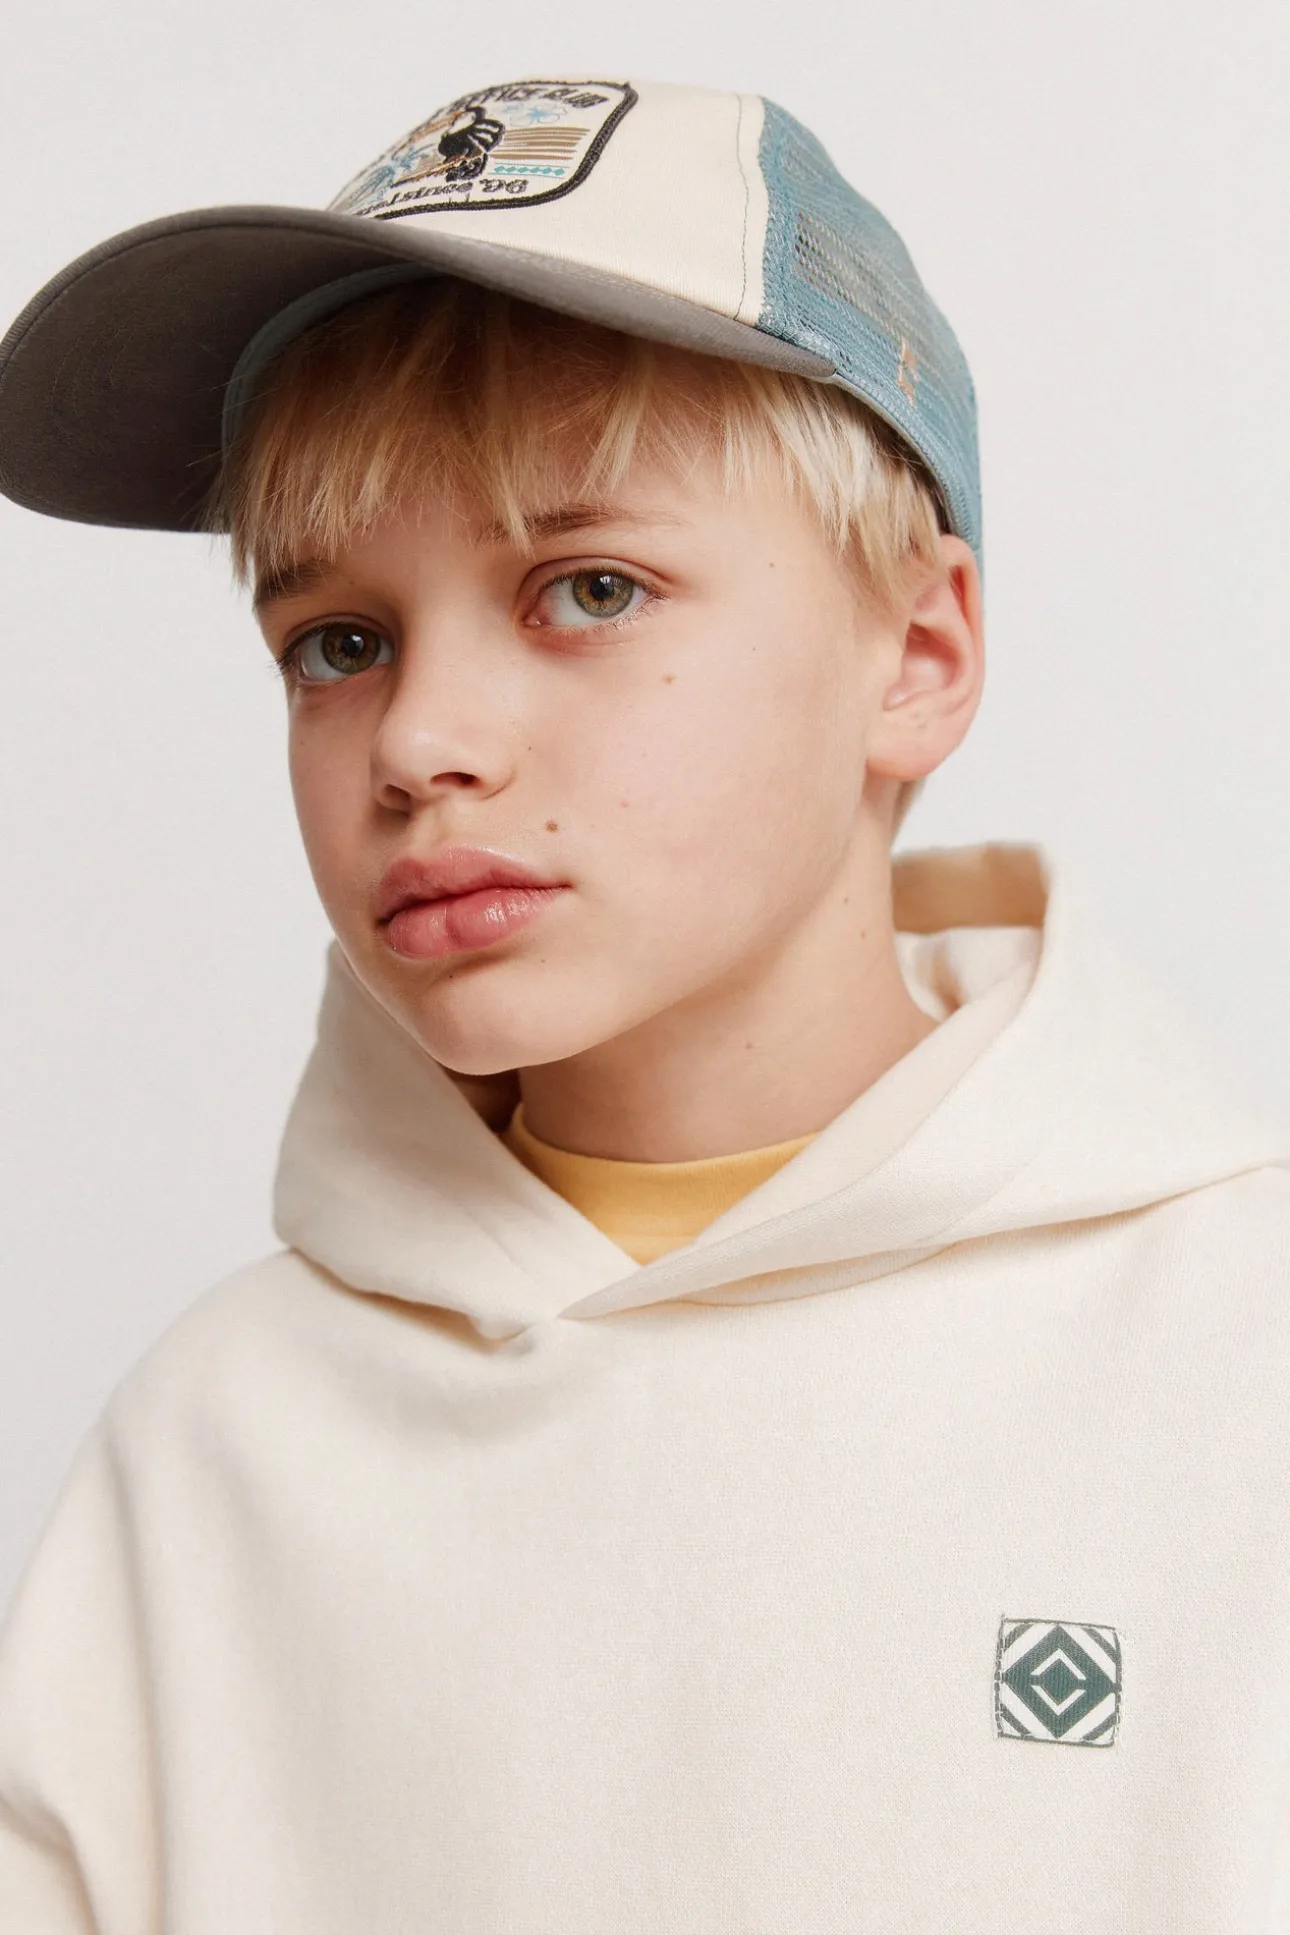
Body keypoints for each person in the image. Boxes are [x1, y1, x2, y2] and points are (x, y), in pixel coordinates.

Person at [0, 72, 1287, 1935]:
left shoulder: (1236, 1362)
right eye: (337, 643)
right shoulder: (214, 1449)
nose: (421, 740)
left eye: (588, 589)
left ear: (915, 656)